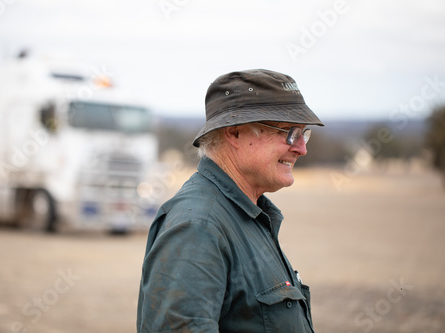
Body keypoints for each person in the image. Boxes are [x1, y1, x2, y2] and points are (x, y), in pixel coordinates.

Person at [137, 69, 324, 332]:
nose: (301, 148)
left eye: (303, 134)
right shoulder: (198, 227)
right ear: (235, 133)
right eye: (288, 132)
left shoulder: (247, 215)